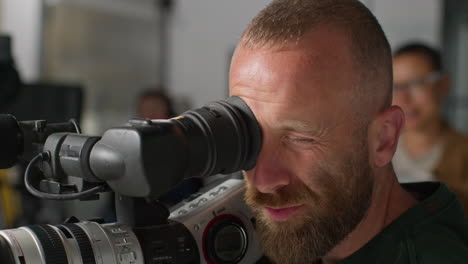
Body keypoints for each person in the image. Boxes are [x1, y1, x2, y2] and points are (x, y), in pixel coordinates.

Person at [228, 0, 468, 263]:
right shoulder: (328, 232)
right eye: (249, 136)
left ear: (383, 139)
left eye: (300, 138)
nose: (262, 180)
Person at [392, 43, 468, 215]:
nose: (403, 97)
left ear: (444, 85)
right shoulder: (372, 155)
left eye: (416, 83)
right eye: (395, 86)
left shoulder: (464, 154)